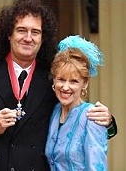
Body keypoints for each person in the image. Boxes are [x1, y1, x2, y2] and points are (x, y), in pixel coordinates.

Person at [0, 1, 116, 171]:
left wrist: (108, 122)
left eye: (35, 32)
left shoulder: (54, 78)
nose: (28, 38)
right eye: (21, 30)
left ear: (42, 38)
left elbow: (79, 125)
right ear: (8, 34)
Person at [45, 35, 108, 170]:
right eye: (61, 79)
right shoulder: (55, 111)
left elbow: (97, 167)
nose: (65, 87)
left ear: (85, 84)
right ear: (54, 80)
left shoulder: (92, 117)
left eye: (73, 81)